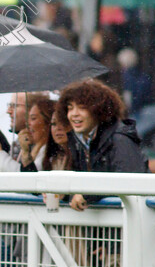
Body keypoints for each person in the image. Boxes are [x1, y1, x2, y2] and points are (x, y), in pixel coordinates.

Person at [55, 79, 148, 211]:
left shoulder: (119, 139)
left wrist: (87, 194)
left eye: (82, 107)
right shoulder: (79, 141)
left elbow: (131, 184)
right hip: (105, 226)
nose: (74, 113)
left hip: (130, 222)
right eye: (70, 108)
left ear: (99, 110)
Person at [0, 92, 28, 172]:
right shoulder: (18, 140)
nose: (8, 111)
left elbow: (22, 176)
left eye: (14, 106)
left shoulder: (39, 144)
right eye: (9, 105)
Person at [17, 96, 54, 171]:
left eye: (33, 118)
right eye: (28, 119)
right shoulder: (36, 149)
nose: (28, 124)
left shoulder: (52, 153)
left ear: (48, 121)